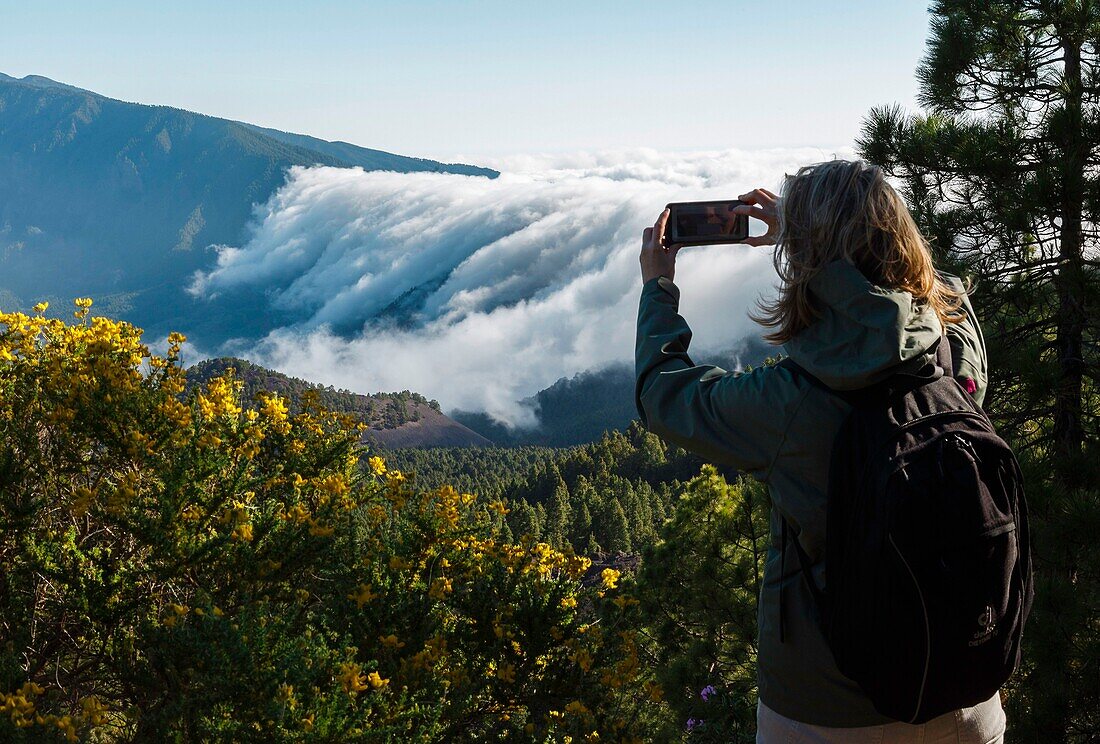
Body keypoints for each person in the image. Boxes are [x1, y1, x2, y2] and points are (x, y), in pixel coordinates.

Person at [635, 159, 1005, 743]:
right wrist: (827, 243)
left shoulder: (786, 402)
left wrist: (659, 287)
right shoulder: (949, 366)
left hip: (824, 712)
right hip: (964, 695)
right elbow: (950, 297)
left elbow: (664, 396)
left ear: (803, 262)